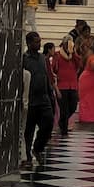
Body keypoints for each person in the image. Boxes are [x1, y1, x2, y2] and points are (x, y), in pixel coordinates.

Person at [22, 31, 57, 166]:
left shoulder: (43, 58)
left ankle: (38, 148)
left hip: (44, 97)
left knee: (48, 124)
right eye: (36, 42)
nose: (39, 44)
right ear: (29, 43)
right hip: (31, 99)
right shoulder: (24, 59)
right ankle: (28, 157)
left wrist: (50, 94)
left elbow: (47, 76)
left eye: (39, 41)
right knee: (29, 130)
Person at [52, 35, 82, 136]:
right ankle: (64, 130)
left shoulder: (73, 56)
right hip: (62, 86)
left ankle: (62, 121)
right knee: (63, 109)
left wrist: (73, 53)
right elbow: (54, 69)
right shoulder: (58, 55)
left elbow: (79, 64)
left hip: (73, 85)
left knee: (73, 106)